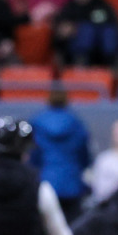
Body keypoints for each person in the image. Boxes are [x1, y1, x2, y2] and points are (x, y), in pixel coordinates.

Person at [30, 86, 93, 219]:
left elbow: (33, 156)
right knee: (72, 228)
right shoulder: (76, 124)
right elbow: (84, 156)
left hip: (46, 182)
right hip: (72, 183)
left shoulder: (37, 123)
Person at [51, 0, 118, 69]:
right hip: (75, 53)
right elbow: (59, 29)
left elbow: (111, 25)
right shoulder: (69, 7)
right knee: (85, 31)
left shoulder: (103, 6)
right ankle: (81, 64)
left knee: (100, 31)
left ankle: (111, 68)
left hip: (102, 54)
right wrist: (64, 31)